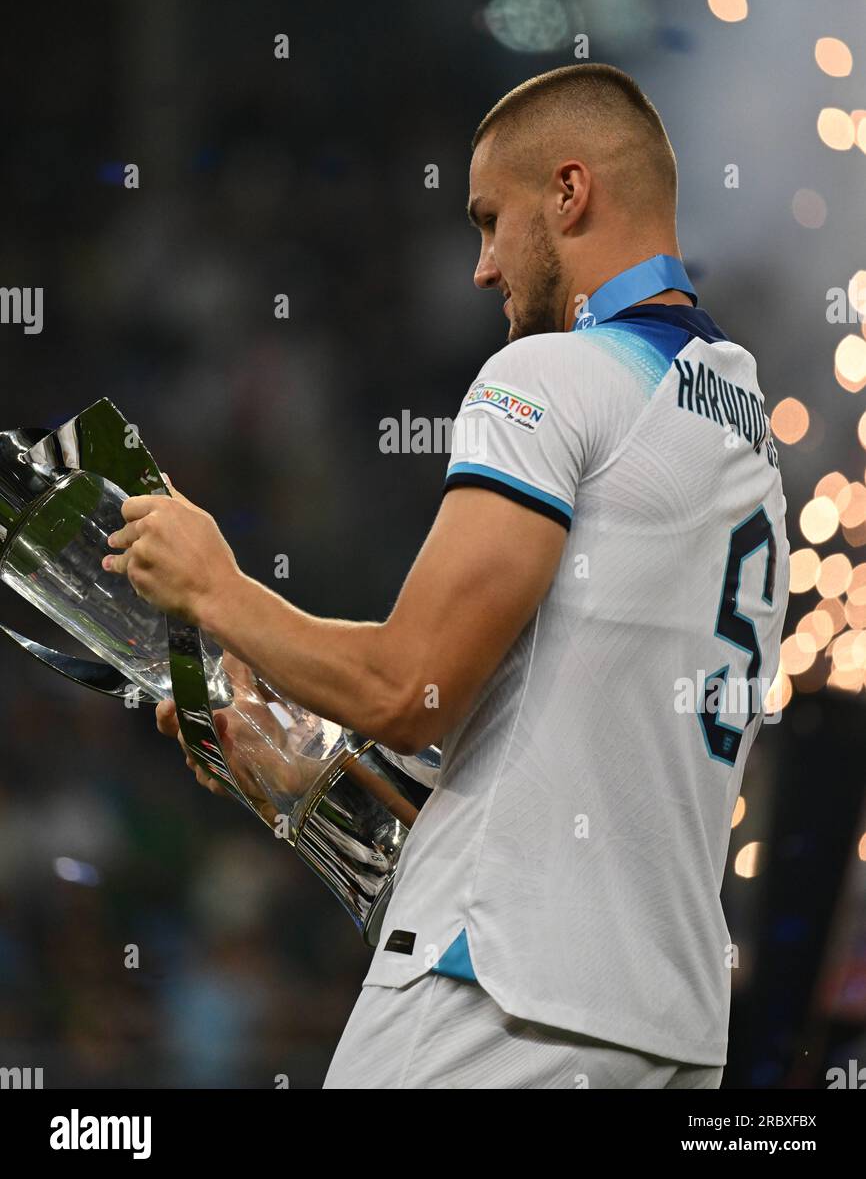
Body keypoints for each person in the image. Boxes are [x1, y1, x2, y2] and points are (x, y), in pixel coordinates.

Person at [104, 63, 791, 1089]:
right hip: (663, 1031)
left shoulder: (550, 375)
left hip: (495, 994)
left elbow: (406, 687)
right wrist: (289, 753)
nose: (479, 267)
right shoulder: (744, 439)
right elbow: (530, 748)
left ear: (568, 192)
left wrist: (217, 587)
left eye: (487, 219)